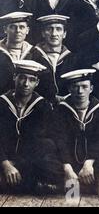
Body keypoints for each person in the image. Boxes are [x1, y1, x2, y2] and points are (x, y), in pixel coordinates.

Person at [0, 60, 63, 193]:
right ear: (14, 78)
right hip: (2, 159)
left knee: (49, 157)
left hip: (26, 162)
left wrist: (17, 164)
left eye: (31, 80)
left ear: (37, 83)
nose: (26, 84)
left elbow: (46, 142)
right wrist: (5, 163)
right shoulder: (2, 103)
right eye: (22, 77)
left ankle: (16, 182)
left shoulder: (43, 106)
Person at [50, 69, 99, 193]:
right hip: (67, 162)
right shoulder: (60, 110)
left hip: (91, 164)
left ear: (91, 88)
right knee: (46, 160)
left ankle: (71, 185)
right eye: (75, 87)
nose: (80, 91)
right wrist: (67, 168)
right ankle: (81, 184)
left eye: (84, 87)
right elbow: (60, 141)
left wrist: (88, 164)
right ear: (69, 89)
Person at [25, 14, 75, 104]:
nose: (54, 34)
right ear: (43, 33)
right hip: (39, 106)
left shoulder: (73, 58)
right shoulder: (31, 56)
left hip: (67, 107)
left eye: (58, 29)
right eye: (49, 29)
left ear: (64, 34)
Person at [0, 11, 33, 94]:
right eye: (13, 27)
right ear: (5, 29)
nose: (18, 31)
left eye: (21, 27)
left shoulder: (34, 52)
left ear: (27, 30)